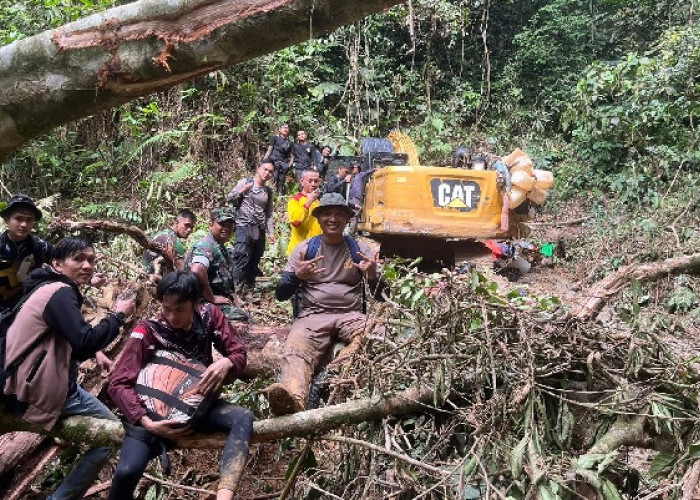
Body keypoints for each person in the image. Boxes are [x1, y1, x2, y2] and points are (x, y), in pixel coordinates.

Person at [2, 237, 135, 500]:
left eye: (91, 260)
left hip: (21, 380)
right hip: (35, 389)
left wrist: (96, 352)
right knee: (112, 436)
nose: (87, 265)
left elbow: (67, 334)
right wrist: (118, 315)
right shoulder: (59, 292)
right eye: (78, 259)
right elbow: (84, 341)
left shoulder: (48, 286)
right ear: (57, 263)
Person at [107, 271, 252, 500]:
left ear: (195, 304)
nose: (172, 317)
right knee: (126, 472)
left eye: (180, 309)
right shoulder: (148, 330)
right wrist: (146, 422)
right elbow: (117, 383)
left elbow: (239, 352)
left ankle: (225, 494)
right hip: (151, 413)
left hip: (196, 404)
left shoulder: (210, 315)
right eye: (166, 308)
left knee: (242, 418)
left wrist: (227, 362)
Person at [265, 193, 384, 416]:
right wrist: (297, 276)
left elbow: (382, 296)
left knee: (378, 333)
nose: (333, 219)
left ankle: (331, 373)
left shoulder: (360, 250)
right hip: (312, 316)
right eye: (327, 213)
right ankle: (293, 401)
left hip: (351, 315)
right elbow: (281, 293)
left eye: (340, 214)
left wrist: (373, 275)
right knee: (295, 351)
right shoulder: (304, 250)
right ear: (318, 219)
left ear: (348, 219)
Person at [185, 208, 250, 323]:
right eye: (221, 224)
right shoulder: (206, 245)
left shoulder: (221, 247)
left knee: (245, 317)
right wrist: (212, 298)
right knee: (241, 320)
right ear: (211, 225)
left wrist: (236, 305)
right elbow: (197, 270)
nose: (226, 228)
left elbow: (228, 284)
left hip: (218, 301)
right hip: (199, 303)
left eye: (229, 225)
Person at [226, 162, 275, 291]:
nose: (267, 173)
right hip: (243, 225)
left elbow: (269, 213)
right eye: (265, 169)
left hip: (259, 228)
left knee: (255, 258)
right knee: (241, 255)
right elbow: (229, 198)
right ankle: (235, 288)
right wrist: (241, 191)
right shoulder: (245, 182)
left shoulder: (268, 191)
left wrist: (271, 232)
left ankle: (249, 288)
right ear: (258, 168)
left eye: (270, 172)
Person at [0, 194, 52, 311]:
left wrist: (90, 278)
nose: (24, 225)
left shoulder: (40, 247)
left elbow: (65, 259)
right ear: (7, 220)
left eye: (29, 220)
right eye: (18, 219)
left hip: (26, 305)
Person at [141, 209, 197, 275]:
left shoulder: (163, 233)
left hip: (144, 274)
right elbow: (182, 273)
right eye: (186, 225)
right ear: (177, 223)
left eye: (192, 227)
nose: (189, 230)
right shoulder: (174, 241)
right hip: (153, 278)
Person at [286, 170, 322, 255]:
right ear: (302, 182)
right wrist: (309, 202)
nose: (313, 184)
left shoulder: (318, 202)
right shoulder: (295, 200)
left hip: (316, 250)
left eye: (316, 181)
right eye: (310, 181)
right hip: (299, 251)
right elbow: (296, 222)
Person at [264, 123, 293, 195]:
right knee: (273, 177)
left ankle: (279, 194)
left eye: (287, 128)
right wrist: (265, 159)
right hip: (274, 161)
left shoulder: (290, 142)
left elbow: (292, 155)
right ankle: (270, 194)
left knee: (281, 180)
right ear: (279, 129)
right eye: (284, 127)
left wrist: (290, 164)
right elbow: (269, 149)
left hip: (284, 163)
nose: (286, 129)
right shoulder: (274, 138)